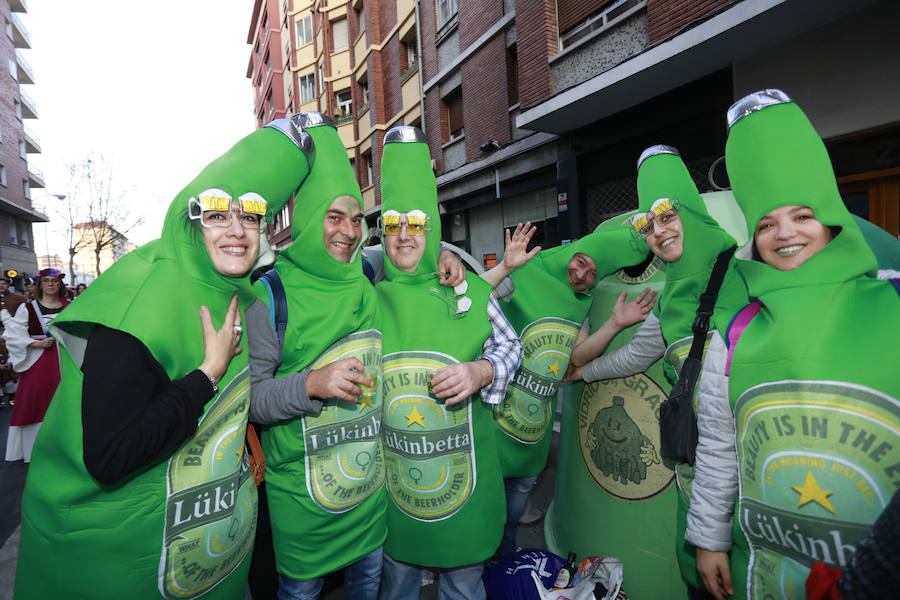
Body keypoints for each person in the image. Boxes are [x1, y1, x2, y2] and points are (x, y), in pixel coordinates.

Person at [14, 117, 314, 599]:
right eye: (218, 213)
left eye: (252, 216)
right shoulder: (140, 304)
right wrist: (207, 374)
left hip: (194, 550)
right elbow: (111, 458)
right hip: (113, 566)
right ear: (191, 221)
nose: (237, 230)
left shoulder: (230, 289)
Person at [685, 89, 900, 600]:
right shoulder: (736, 330)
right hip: (771, 569)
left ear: (830, 220)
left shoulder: (893, 297)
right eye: (766, 223)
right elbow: (719, 449)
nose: (785, 234)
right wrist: (710, 538)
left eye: (802, 216)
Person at [564, 145, 746, 600]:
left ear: (690, 211)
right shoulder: (671, 297)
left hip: (756, 486)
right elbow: (635, 358)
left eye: (667, 214)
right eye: (648, 224)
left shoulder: (748, 273)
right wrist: (582, 374)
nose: (659, 231)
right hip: (700, 484)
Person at [376, 125, 522, 600]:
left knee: (463, 589)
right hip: (399, 498)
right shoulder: (364, 296)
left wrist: (481, 371)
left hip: (465, 495)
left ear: (432, 230)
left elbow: (512, 347)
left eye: (415, 224)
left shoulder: (470, 290)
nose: (403, 236)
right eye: (392, 223)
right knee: (396, 590)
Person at [247, 113, 385, 600]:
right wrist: (312, 384)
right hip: (302, 501)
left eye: (356, 218)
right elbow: (251, 400)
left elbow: (419, 258)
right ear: (307, 219)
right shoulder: (270, 292)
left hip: (368, 490)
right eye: (334, 216)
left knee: (367, 584)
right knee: (301, 592)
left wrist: (447, 260)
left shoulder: (366, 274)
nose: (348, 231)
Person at [480, 219, 650, 558]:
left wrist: (616, 323)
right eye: (582, 261)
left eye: (592, 274)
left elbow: (576, 355)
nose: (582, 275)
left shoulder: (581, 300)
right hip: (493, 428)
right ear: (573, 251)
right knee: (484, 523)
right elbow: (470, 298)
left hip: (533, 438)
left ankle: (505, 577)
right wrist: (503, 267)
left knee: (510, 527)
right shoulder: (526, 273)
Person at [3, 268, 70, 462]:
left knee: (66, 399)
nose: (51, 284)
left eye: (55, 280)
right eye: (47, 280)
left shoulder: (71, 306)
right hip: (38, 362)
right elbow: (13, 334)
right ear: (40, 284)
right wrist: (35, 343)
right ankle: (37, 450)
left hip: (66, 360)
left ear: (60, 284)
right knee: (36, 402)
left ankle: (66, 447)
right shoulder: (28, 308)